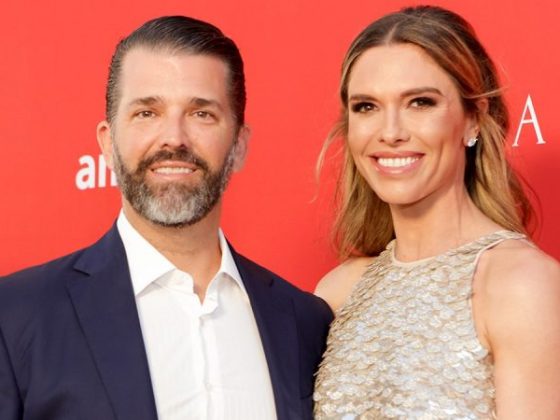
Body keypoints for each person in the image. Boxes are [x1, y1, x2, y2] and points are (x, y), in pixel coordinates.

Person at [0, 16, 332, 420]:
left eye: (201, 113)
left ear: (239, 146)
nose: (174, 137)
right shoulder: (15, 317)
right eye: (147, 113)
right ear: (107, 143)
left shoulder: (305, 322)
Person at [313, 5, 560, 419]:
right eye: (367, 107)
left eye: (420, 102)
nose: (390, 132)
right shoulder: (338, 291)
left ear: (473, 120)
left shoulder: (521, 284)